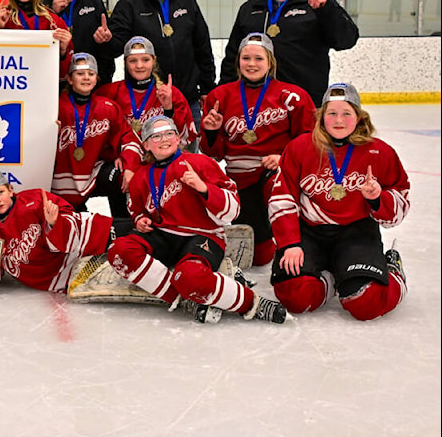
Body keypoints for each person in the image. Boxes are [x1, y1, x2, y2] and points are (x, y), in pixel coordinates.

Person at [106, 115, 288, 324]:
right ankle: (183, 299)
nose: (164, 139)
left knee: (189, 277)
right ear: (146, 144)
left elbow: (233, 210)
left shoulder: (200, 163)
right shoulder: (141, 176)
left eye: (169, 133)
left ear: (178, 139)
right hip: (163, 234)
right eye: (156, 136)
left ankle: (252, 304)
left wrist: (203, 189)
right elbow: (136, 208)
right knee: (119, 250)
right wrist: (139, 219)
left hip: (203, 235)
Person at [267, 83, 410, 321]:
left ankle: (393, 272)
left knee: (366, 302)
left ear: (359, 116)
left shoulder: (380, 152)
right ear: (322, 117)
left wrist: (377, 199)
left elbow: (401, 201)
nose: (338, 120)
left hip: (356, 232)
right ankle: (332, 278)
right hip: (309, 232)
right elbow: (282, 198)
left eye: (346, 113)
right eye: (331, 113)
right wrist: (289, 243)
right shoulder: (300, 147)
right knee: (295, 296)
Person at [201, 33, 316, 266]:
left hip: (274, 174)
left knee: (277, 187)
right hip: (239, 180)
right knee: (260, 257)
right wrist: (211, 131)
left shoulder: (293, 96)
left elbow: (310, 142)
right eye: (246, 58)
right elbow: (214, 154)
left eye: (258, 58)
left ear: (270, 62)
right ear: (238, 62)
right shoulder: (219, 96)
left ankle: (299, 243)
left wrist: (284, 157)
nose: (251, 64)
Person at [220, 0, 359, 106]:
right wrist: (223, 92)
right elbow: (233, 54)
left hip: (304, 101)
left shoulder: (319, 4)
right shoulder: (251, 8)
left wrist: (325, 10)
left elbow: (346, 41)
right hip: (258, 103)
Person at [105, 0, 216, 135]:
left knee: (187, 157)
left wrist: (207, 87)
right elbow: (115, 48)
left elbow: (202, 46)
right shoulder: (128, 5)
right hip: (147, 101)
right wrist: (106, 40)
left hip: (188, 97)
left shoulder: (186, 1)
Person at [0, 169, 127, 293]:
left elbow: (68, 212)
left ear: (10, 190)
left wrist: (55, 222)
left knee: (140, 235)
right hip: (59, 275)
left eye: (0, 192)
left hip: (90, 236)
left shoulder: (34, 198)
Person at [51, 53, 142, 217]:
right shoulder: (55, 107)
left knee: (119, 175)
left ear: (96, 79)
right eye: (80, 74)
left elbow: (127, 137)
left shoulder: (107, 107)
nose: (86, 78)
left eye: (91, 74)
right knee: (68, 222)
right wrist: (50, 135)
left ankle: (122, 226)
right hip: (59, 177)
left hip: (94, 171)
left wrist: (129, 165)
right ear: (70, 79)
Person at [95, 36, 197, 149]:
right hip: (125, 161)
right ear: (125, 63)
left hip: (161, 161)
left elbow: (185, 140)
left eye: (145, 60)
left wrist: (168, 109)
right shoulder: (109, 93)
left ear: (154, 60)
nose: (139, 66)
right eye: (133, 61)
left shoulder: (170, 93)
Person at [42, 0, 115, 85]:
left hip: (87, 83)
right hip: (49, 81)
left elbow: (107, 52)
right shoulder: (37, 3)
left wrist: (105, 41)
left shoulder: (94, 2)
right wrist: (52, 12)